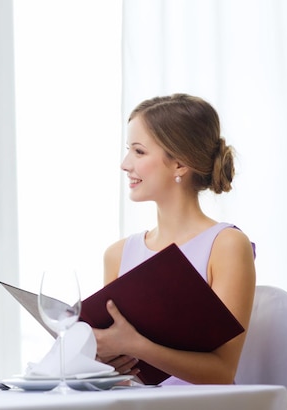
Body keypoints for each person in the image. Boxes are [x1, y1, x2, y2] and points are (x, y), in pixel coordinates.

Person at [94, 93, 256, 384]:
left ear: (180, 165)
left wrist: (135, 345)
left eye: (139, 152)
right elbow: (113, 368)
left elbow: (222, 371)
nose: (125, 164)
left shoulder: (227, 245)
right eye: (128, 150)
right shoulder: (117, 254)